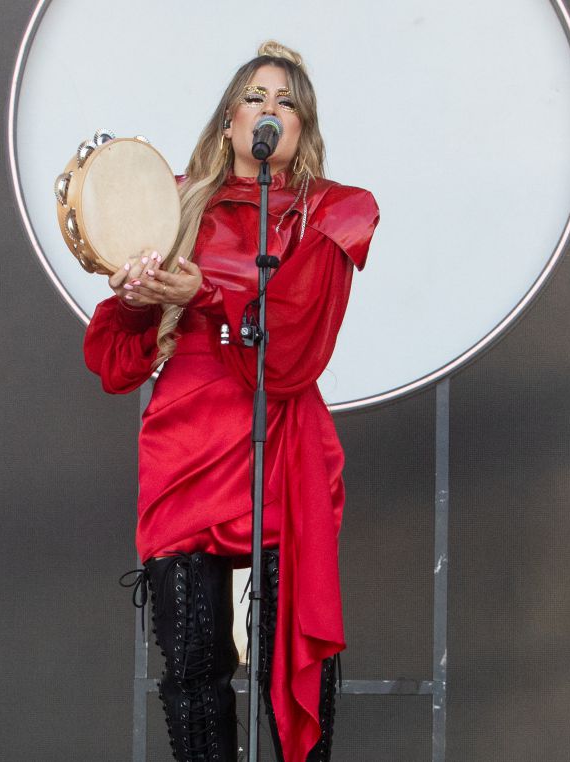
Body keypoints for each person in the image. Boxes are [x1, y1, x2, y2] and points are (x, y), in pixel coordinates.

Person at [84, 40, 378, 762]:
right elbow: (114, 362)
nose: (269, 111)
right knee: (192, 665)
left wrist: (207, 294)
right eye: (255, 97)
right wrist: (134, 302)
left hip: (278, 443)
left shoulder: (334, 212)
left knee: (291, 654)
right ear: (228, 121)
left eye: (287, 102)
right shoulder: (173, 203)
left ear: (302, 128)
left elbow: (297, 342)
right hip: (185, 443)